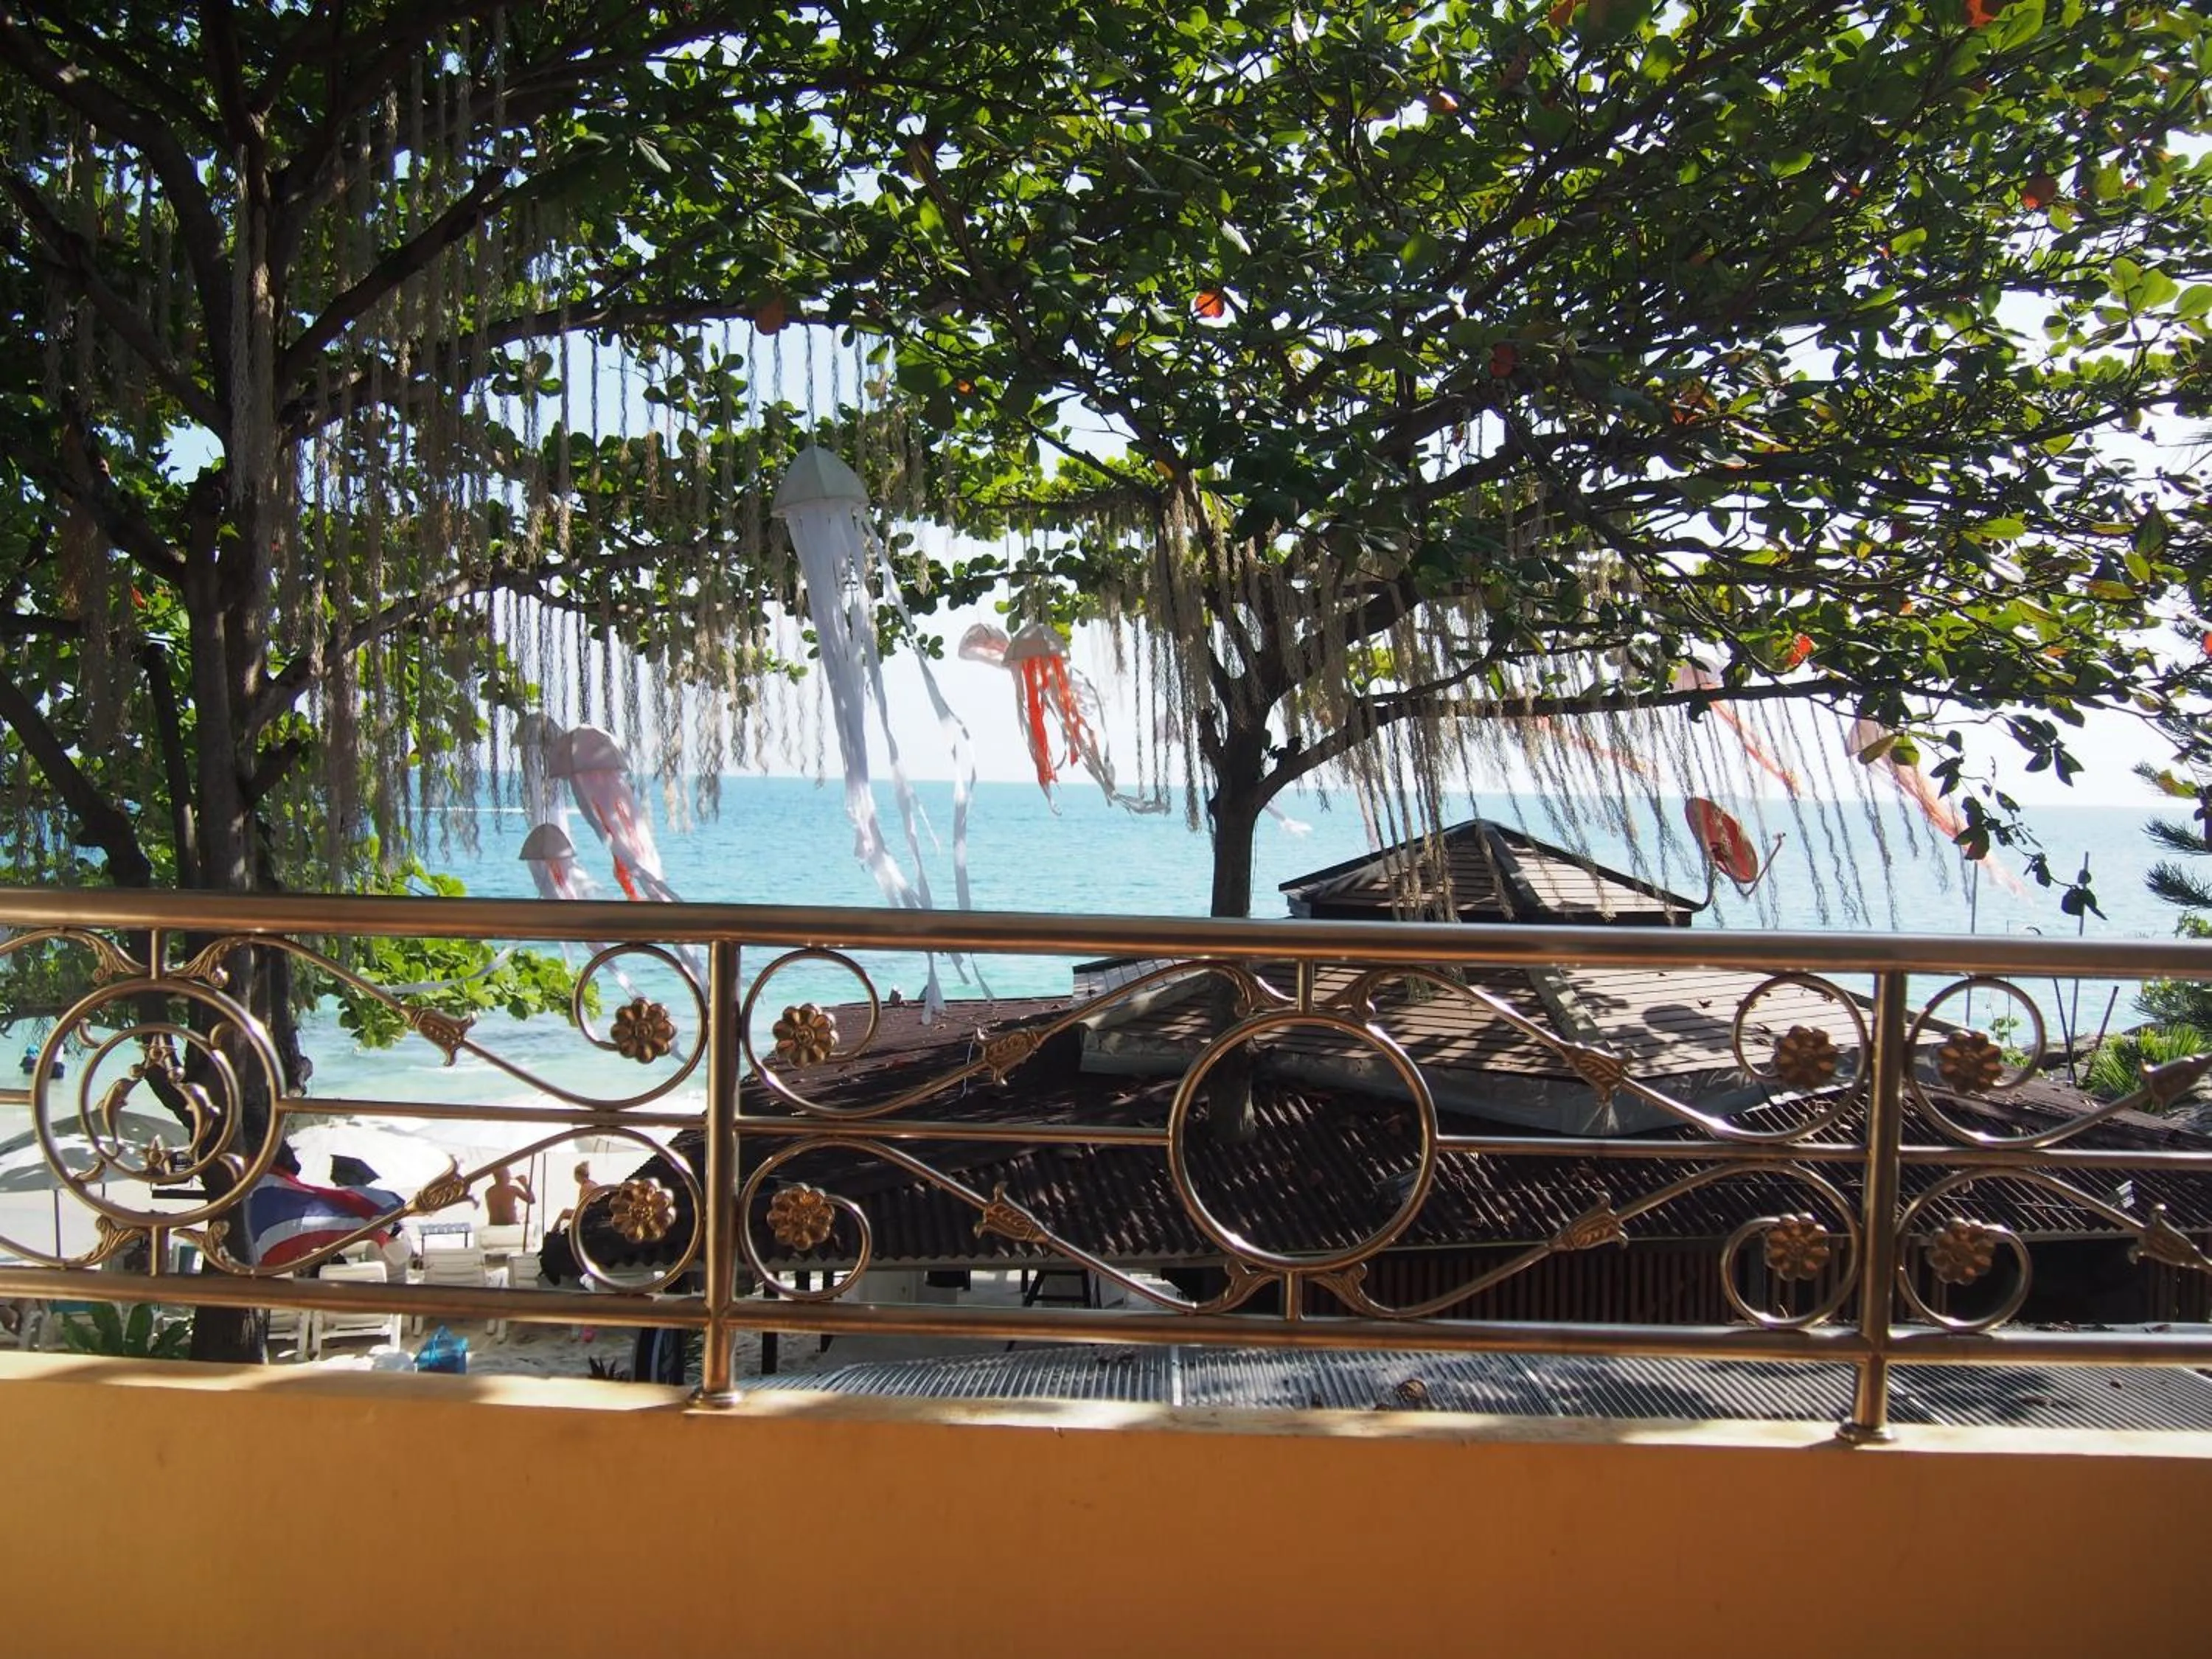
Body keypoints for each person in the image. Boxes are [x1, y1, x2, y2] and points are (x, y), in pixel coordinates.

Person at [485, 1164, 535, 1228]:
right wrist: (525, 1184)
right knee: (526, 1218)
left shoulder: (488, 1192)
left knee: (521, 1216)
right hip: (510, 1225)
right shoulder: (513, 1189)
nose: (510, 1176)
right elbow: (532, 1200)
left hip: (493, 1226)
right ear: (505, 1176)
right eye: (508, 1173)